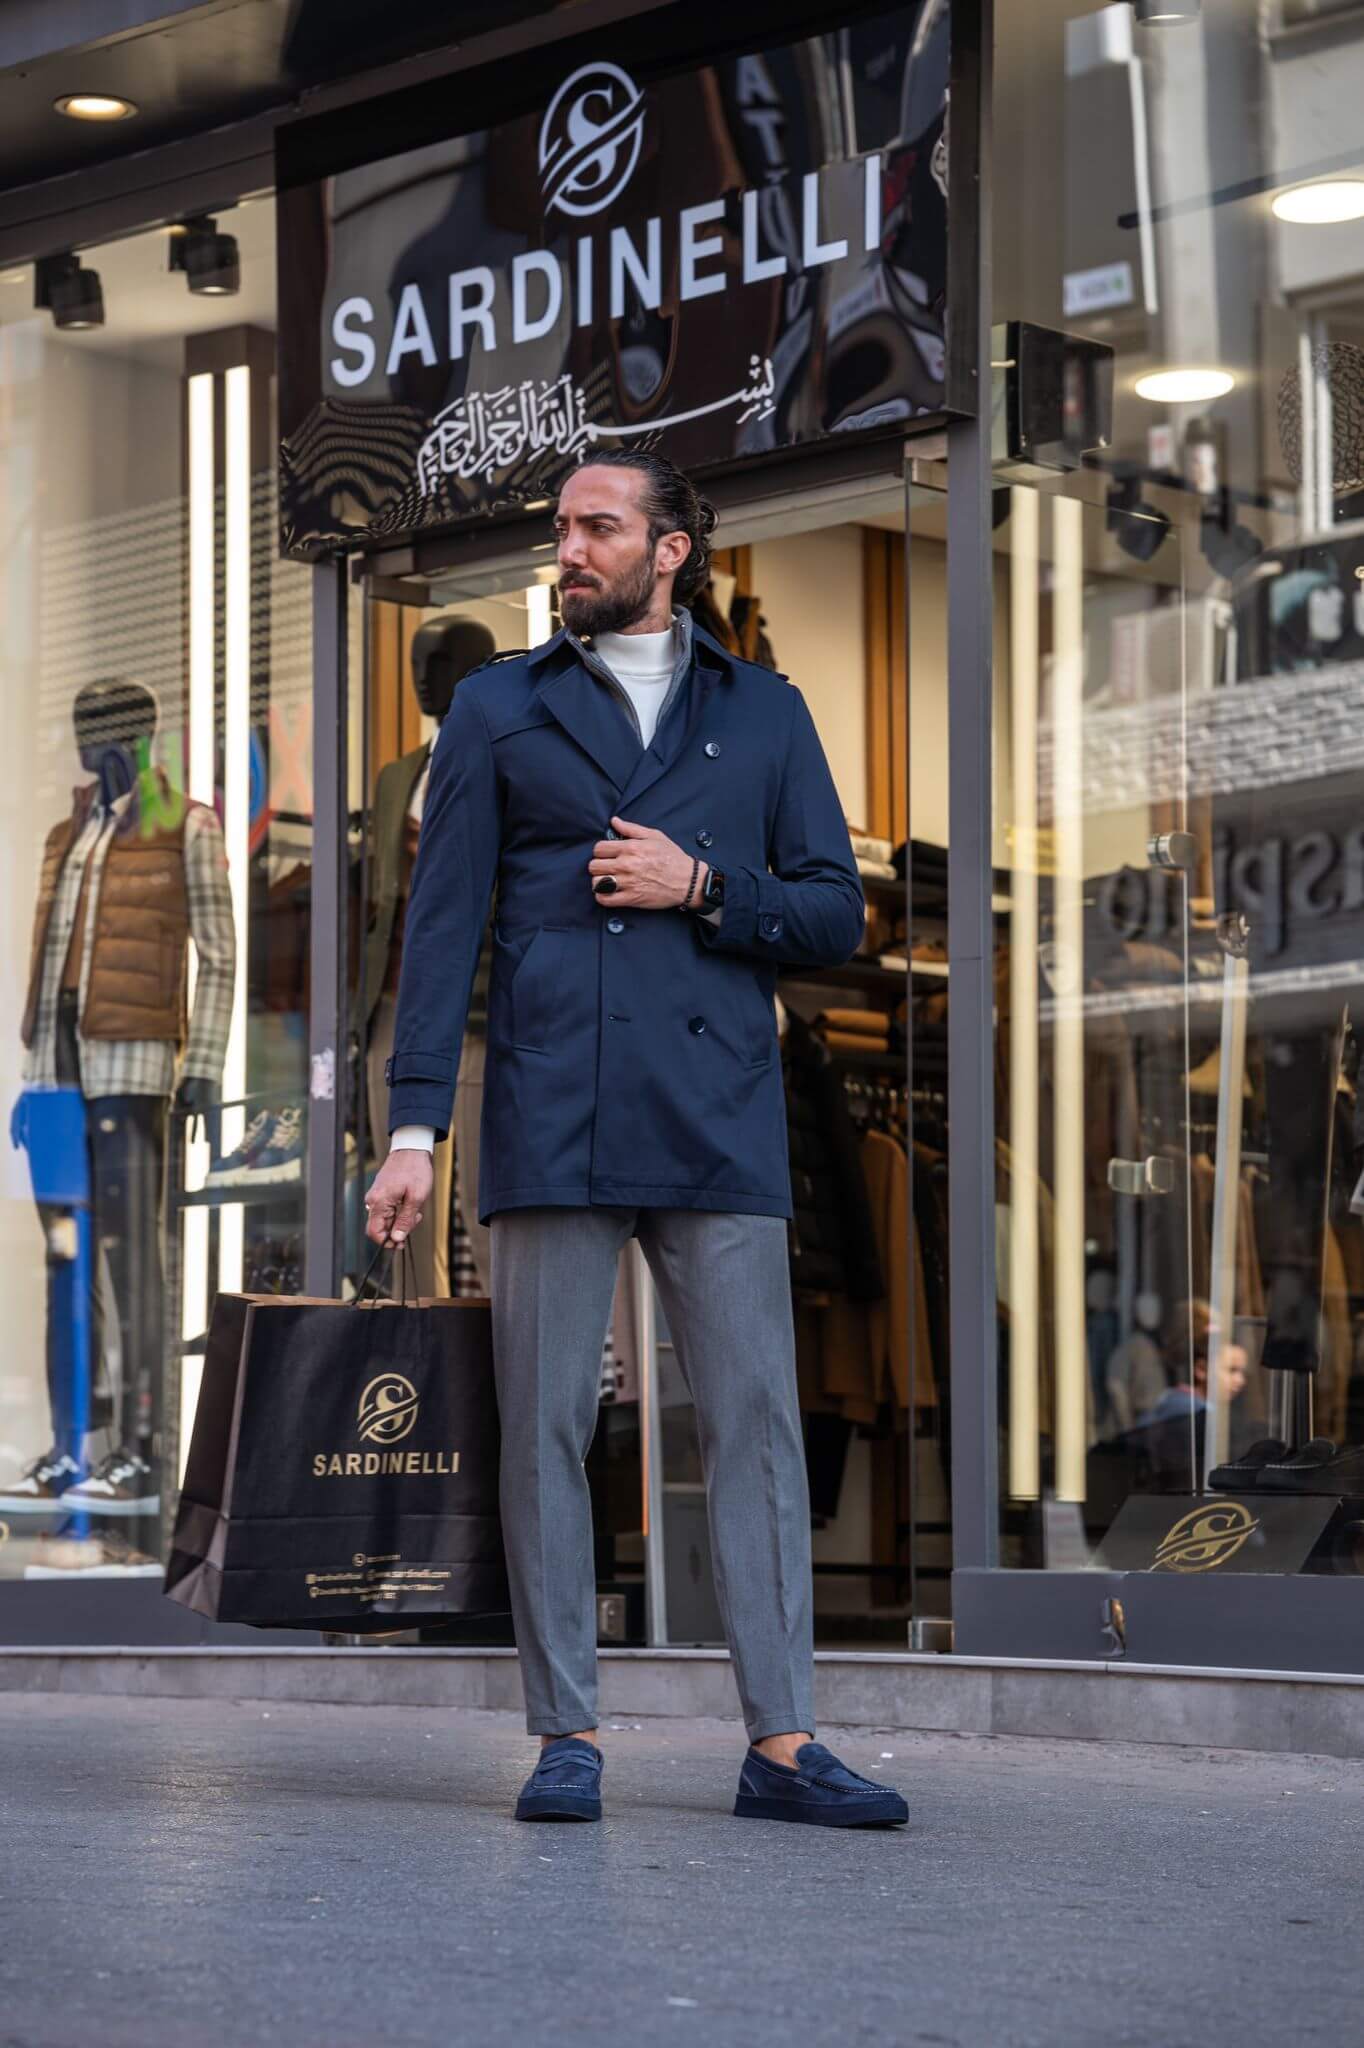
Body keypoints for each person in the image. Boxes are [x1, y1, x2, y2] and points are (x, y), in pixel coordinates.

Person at [365, 449, 907, 1830]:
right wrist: (415, 1131)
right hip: (549, 1107)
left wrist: (703, 884)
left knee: (757, 1429)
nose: (572, 549)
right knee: (545, 1427)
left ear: (673, 551)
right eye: (564, 529)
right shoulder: (496, 709)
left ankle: (780, 1743)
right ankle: (567, 1735)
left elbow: (838, 917)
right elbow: (441, 941)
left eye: (600, 528)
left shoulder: (768, 712)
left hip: (721, 1115)